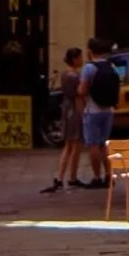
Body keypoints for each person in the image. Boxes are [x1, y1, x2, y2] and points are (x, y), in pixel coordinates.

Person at [77, 37, 120, 190]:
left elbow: (81, 90)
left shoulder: (89, 68)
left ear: (90, 51)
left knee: (93, 144)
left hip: (93, 110)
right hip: (108, 110)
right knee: (105, 144)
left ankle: (96, 177)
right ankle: (109, 176)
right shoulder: (112, 66)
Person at [41, 47, 84, 194]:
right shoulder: (74, 76)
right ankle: (64, 177)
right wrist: (82, 113)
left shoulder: (65, 74)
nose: (82, 60)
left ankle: (68, 176)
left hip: (68, 110)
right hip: (74, 111)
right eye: (79, 57)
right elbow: (79, 96)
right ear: (74, 59)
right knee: (73, 144)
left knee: (72, 144)